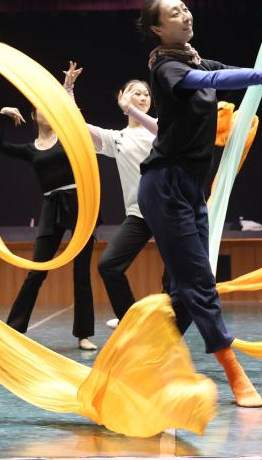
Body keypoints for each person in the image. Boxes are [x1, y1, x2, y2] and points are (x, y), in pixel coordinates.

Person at [135, 0, 262, 408]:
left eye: (185, 8)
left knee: (182, 290)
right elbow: (213, 83)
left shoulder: (196, 61)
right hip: (164, 186)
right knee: (199, 283)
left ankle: (145, 364)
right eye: (174, 13)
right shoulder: (167, 69)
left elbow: (245, 72)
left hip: (190, 188)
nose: (185, 15)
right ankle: (234, 374)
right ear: (157, 28)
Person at [62, 65, 169, 327]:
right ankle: (130, 321)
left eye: (146, 94)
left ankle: (171, 324)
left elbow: (161, 132)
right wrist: (68, 89)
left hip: (170, 213)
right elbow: (76, 127)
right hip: (139, 214)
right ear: (122, 96)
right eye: (136, 93)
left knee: (175, 276)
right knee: (108, 266)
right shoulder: (117, 138)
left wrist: (130, 109)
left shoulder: (161, 127)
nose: (143, 98)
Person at [0, 88, 97, 351]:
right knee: (36, 271)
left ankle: (84, 334)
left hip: (78, 203)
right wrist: (2, 115)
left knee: (81, 273)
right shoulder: (31, 149)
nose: (47, 112)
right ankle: (14, 329)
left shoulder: (67, 138)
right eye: (41, 108)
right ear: (33, 115)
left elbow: (77, 123)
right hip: (51, 207)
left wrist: (68, 91)